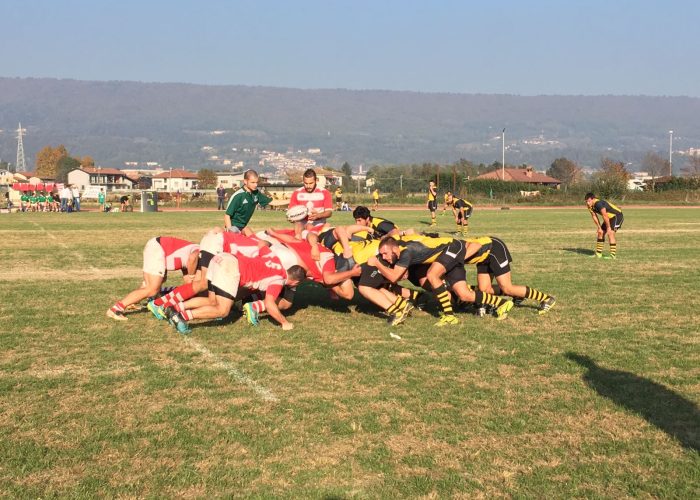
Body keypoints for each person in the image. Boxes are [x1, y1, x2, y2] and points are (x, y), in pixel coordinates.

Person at [165, 252, 307, 333]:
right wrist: (284, 322)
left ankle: (175, 308)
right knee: (222, 311)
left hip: (221, 258)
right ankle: (181, 317)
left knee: (212, 301)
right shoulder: (279, 279)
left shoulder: (276, 261)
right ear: (295, 282)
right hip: (230, 267)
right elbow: (270, 304)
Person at [107, 236, 200, 320]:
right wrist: (192, 276)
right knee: (152, 289)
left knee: (155, 284)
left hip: (156, 246)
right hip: (158, 249)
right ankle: (116, 309)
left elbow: (189, 284)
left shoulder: (196, 253)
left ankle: (132, 302)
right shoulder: (201, 252)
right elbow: (193, 258)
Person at [464, 236, 556, 315]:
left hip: (495, 250)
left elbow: (476, 245)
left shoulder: (455, 252)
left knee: (507, 288)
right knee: (484, 289)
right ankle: (518, 295)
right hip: (483, 258)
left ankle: (547, 299)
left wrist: (461, 258)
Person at [288, 168, 333, 237]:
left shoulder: (325, 193)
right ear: (303, 181)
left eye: (311, 183)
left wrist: (318, 215)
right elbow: (291, 212)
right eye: (306, 183)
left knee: (327, 226)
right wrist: (292, 218)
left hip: (318, 223)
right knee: (298, 224)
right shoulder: (296, 193)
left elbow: (329, 212)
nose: (308, 186)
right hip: (302, 224)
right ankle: (298, 240)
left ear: (316, 181)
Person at [224, 169, 271, 234]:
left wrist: (289, 202)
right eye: (253, 182)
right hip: (233, 227)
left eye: (256, 182)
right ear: (245, 181)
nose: (256, 185)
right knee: (240, 231)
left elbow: (271, 202)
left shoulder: (256, 193)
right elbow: (227, 215)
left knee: (251, 235)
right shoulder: (238, 195)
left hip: (243, 227)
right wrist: (229, 231)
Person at [585, 192, 624, 259]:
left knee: (610, 233)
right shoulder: (589, 206)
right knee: (600, 232)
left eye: (589, 201)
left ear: (593, 199)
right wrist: (599, 227)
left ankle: (613, 255)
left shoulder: (598, 204)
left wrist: (608, 227)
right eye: (586, 201)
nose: (587, 203)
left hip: (617, 216)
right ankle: (598, 254)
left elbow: (604, 215)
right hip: (609, 218)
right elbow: (594, 216)